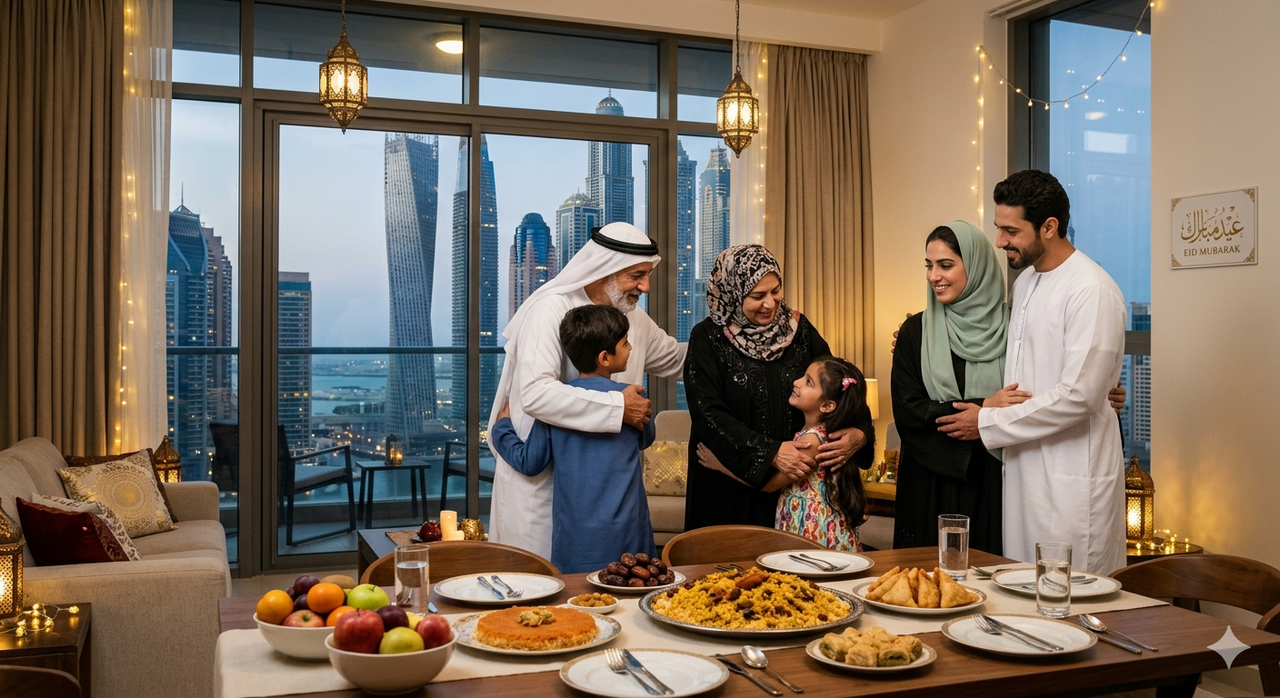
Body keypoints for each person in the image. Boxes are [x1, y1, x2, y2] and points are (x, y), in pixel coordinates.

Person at [937, 170, 1127, 575]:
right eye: (998, 228)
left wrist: (987, 421)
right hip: (1024, 472)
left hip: (1072, 474)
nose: (1000, 241)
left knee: (1072, 598)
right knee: (1021, 590)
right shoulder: (1024, 283)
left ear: (1050, 227)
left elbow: (1079, 396)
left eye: (1011, 230)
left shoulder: (1090, 288)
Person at [489, 222, 686, 560]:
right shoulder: (551, 310)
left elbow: (678, 361)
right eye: (637, 275)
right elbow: (536, 394)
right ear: (605, 269)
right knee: (542, 600)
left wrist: (732, 340)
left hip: (611, 499)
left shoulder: (632, 319)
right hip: (543, 492)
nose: (646, 286)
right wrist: (618, 408)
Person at [683, 245, 873, 530]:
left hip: (793, 491)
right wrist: (771, 452)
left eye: (776, 290)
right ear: (734, 294)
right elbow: (708, 415)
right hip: (727, 486)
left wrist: (860, 434)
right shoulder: (707, 339)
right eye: (757, 296)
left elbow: (839, 386)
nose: (770, 303)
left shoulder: (800, 330)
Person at [489, 305, 656, 573]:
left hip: (575, 539)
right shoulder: (631, 400)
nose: (631, 348)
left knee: (578, 603)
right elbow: (646, 438)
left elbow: (530, 462)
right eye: (625, 343)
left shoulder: (556, 407)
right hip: (628, 532)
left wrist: (502, 429)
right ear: (604, 357)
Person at [891, 221, 1012, 554]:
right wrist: (983, 407)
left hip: (993, 479)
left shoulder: (1015, 328)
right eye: (929, 266)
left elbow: (1032, 395)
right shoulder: (914, 331)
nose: (934, 276)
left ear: (976, 267)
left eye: (946, 265)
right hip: (928, 482)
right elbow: (908, 408)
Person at [702, 357, 872, 550]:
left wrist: (720, 465)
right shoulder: (817, 435)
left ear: (827, 406)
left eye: (808, 382)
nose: (796, 382)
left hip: (813, 528)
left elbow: (769, 484)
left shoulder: (812, 442)